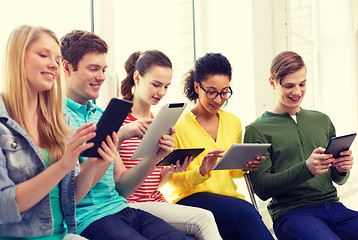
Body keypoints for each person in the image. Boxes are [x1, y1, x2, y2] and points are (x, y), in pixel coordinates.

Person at [60, 30, 189, 240]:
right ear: (66, 68)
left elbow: (122, 188)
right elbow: (65, 192)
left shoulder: (104, 116)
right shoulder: (55, 119)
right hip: (88, 218)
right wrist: (118, 138)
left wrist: (154, 157)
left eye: (103, 69)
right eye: (94, 69)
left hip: (121, 209)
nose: (101, 77)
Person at [0, 25, 118, 239]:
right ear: (18, 58)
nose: (53, 65)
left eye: (56, 58)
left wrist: (96, 164)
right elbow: (5, 207)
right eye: (43, 54)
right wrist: (63, 165)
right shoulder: (3, 125)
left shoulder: (58, 122)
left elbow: (70, 197)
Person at [244, 51, 358, 240]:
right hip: (292, 214)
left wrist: (341, 169)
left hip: (335, 208)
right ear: (273, 83)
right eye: (289, 86)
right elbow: (263, 189)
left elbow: (339, 180)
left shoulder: (322, 120)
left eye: (302, 84)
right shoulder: (257, 130)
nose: (297, 92)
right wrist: (306, 168)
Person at [119, 50, 222, 240]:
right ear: (137, 78)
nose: (162, 92)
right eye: (156, 84)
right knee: (204, 218)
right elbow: (120, 185)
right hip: (129, 204)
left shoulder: (160, 121)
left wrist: (169, 171)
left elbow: (152, 184)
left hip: (154, 200)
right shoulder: (120, 121)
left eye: (166, 86)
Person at [169, 53, 274, 240]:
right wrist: (200, 172)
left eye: (224, 92)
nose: (218, 99)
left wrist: (245, 166)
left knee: (241, 228)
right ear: (197, 87)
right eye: (211, 91)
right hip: (191, 201)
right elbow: (173, 180)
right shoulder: (177, 125)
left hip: (229, 204)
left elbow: (234, 172)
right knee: (246, 213)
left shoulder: (233, 122)